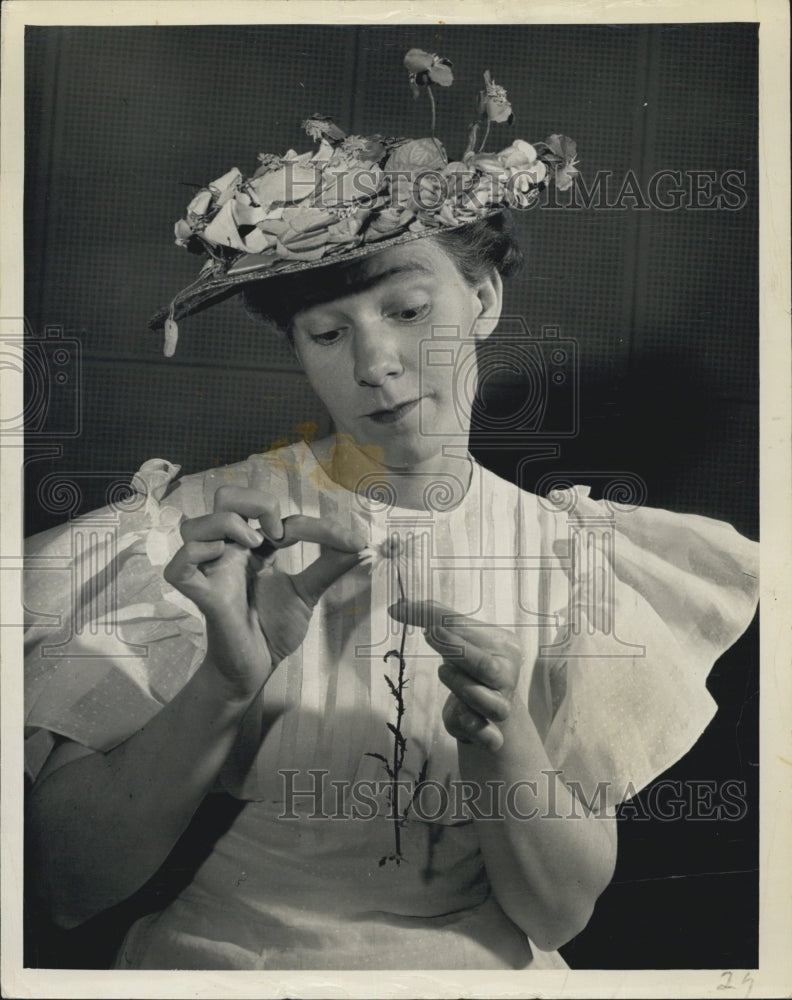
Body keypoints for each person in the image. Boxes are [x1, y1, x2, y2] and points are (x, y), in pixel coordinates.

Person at [23, 51, 759, 971]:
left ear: (483, 299)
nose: (375, 363)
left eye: (409, 311)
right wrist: (224, 681)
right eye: (329, 335)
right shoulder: (201, 533)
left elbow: (558, 916)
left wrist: (506, 746)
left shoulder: (571, 557)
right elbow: (63, 888)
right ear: (300, 351)